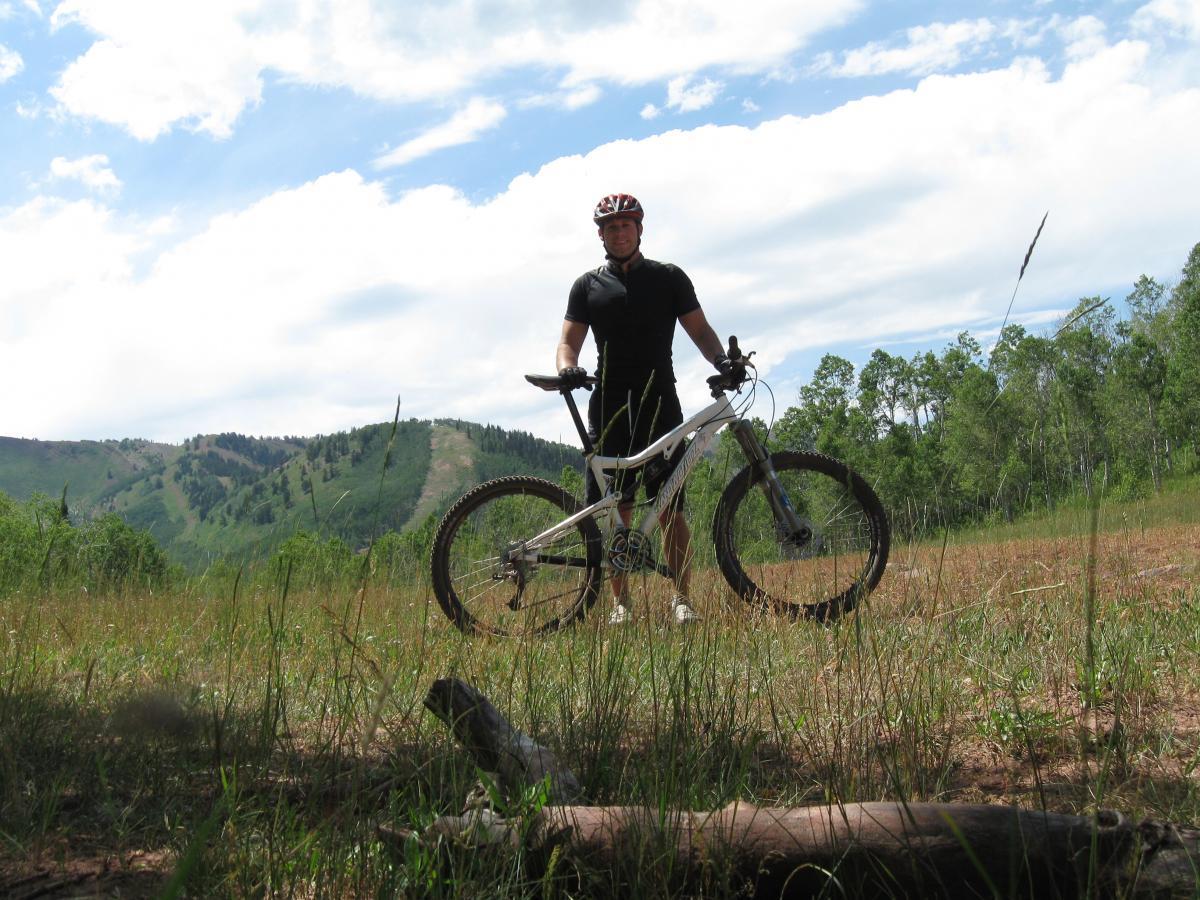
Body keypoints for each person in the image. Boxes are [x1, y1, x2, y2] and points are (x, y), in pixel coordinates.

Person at [555, 192, 737, 625]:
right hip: (610, 401)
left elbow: (700, 330)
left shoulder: (669, 278)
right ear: (600, 234)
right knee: (617, 506)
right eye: (610, 227)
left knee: (671, 506)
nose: (619, 233)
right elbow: (568, 342)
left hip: (660, 400)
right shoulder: (587, 286)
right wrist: (567, 368)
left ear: (639, 229)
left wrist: (722, 362)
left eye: (626, 225)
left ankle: (681, 599)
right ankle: (621, 603)